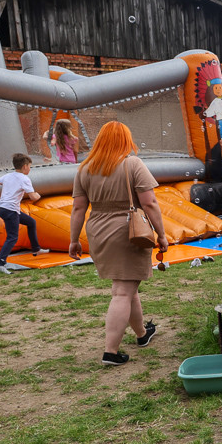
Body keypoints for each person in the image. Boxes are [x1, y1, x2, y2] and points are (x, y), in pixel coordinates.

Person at [68, 122, 169, 366]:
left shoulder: (85, 168)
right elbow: (150, 203)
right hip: (127, 230)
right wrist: (162, 234)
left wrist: (73, 240)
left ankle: (142, 334)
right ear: (126, 139)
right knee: (123, 291)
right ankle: (110, 352)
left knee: (125, 287)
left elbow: (78, 208)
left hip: (98, 229)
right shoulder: (132, 164)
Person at [0, 153, 46, 274]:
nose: (30, 169)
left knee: (31, 222)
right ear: (25, 166)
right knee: (12, 237)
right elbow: (33, 197)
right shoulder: (24, 178)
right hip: (10, 210)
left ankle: (36, 249)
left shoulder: (8, 176)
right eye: (30, 166)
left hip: (3, 209)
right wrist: (38, 195)